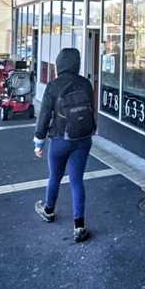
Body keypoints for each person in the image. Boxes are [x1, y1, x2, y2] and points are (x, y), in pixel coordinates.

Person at [33, 47, 96, 242]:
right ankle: (79, 226)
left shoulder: (53, 86)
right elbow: (91, 111)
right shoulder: (86, 84)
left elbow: (44, 116)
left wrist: (39, 142)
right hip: (83, 140)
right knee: (77, 180)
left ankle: (49, 210)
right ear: (77, 63)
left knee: (55, 176)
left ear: (59, 64)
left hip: (60, 139)